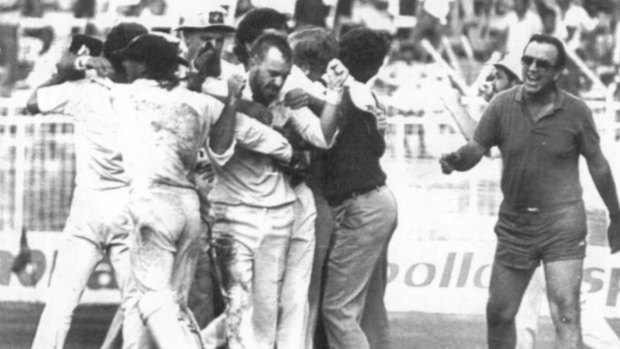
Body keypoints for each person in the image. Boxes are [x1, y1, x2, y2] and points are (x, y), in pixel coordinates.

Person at [440, 34, 620, 349]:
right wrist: (457, 160)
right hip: (515, 226)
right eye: (528, 61)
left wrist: (616, 215)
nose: (533, 69)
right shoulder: (501, 105)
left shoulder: (577, 112)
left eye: (542, 63)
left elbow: (599, 166)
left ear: (557, 72)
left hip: (562, 225)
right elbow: (475, 148)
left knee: (566, 314)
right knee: (499, 313)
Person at [200, 32, 347, 349]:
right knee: (245, 308)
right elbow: (222, 145)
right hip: (239, 212)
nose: (278, 82)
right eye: (272, 73)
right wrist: (283, 145)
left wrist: (333, 95)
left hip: (289, 205)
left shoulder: (287, 95)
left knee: (290, 301)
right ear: (252, 61)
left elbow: (323, 138)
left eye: (283, 75)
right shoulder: (223, 88)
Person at [111, 32, 244, 349]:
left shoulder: (124, 96)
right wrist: (234, 99)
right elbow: (222, 146)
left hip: (151, 205)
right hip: (188, 209)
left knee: (152, 300)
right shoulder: (197, 101)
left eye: (129, 57)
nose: (124, 62)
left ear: (141, 64)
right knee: (175, 305)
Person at [26, 22, 148, 349]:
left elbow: (32, 101)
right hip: (130, 206)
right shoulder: (150, 94)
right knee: (137, 304)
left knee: (60, 303)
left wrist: (72, 68)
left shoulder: (84, 89)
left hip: (89, 207)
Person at [319, 27, 397, 349]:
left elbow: (323, 137)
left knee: (337, 309)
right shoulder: (367, 96)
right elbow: (376, 148)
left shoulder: (339, 95)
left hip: (360, 207)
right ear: (377, 67)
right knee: (368, 305)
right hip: (377, 202)